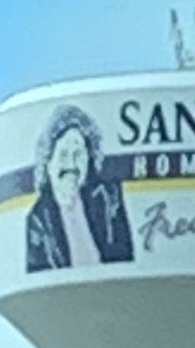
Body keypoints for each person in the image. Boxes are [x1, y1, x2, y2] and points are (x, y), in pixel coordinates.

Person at [26, 105, 134, 271]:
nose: (71, 164)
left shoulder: (108, 198)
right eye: (63, 155)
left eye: (78, 155)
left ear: (89, 160)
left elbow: (125, 264)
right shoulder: (38, 222)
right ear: (48, 163)